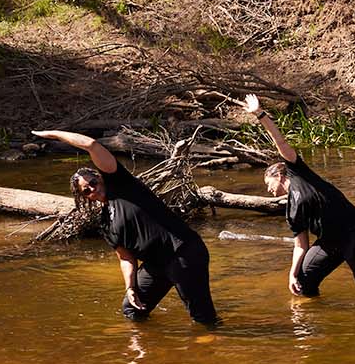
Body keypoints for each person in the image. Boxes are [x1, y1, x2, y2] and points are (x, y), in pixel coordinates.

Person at [36, 128, 219, 326]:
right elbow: (125, 257)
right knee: (132, 309)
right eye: (86, 190)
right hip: (156, 265)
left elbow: (91, 145)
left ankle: (213, 347)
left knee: (203, 319)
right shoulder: (106, 222)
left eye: (93, 182)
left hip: (182, 252)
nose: (92, 189)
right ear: (84, 197)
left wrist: (54, 134)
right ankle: (148, 350)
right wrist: (130, 287)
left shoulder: (121, 184)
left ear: (100, 177)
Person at [246, 94, 355, 300]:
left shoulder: (299, 173)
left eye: (268, 184)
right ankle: (315, 320)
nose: (268, 190)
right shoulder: (291, 212)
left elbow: (280, 142)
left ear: (280, 175)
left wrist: (260, 114)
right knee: (302, 282)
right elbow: (301, 245)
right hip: (330, 242)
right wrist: (291, 274)